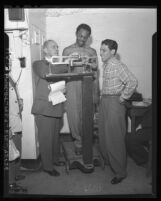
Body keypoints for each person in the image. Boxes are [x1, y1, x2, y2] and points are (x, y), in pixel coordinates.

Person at [98, 39, 138, 184]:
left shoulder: (117, 64)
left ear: (112, 52)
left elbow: (132, 81)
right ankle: (110, 162)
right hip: (105, 102)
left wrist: (123, 97)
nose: (100, 52)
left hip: (115, 103)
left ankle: (120, 172)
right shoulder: (107, 64)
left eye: (104, 50)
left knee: (115, 138)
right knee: (103, 135)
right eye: (100, 49)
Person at [31, 40, 68, 176]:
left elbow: (60, 81)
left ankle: (55, 160)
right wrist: (66, 65)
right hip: (43, 108)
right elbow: (48, 72)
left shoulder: (57, 65)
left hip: (56, 105)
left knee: (54, 137)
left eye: (57, 47)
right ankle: (47, 166)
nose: (57, 49)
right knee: (46, 139)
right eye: (53, 47)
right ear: (45, 50)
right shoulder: (39, 64)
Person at [62, 23, 99, 155]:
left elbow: (96, 74)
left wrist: (96, 94)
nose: (82, 39)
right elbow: (62, 72)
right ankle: (78, 142)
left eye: (85, 37)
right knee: (73, 116)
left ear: (89, 38)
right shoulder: (67, 51)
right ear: (76, 33)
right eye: (80, 36)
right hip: (72, 87)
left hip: (87, 87)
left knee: (87, 116)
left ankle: (86, 142)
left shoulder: (92, 52)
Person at [9, 74, 27, 193]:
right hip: (10, 123)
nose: (9, 61)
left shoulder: (9, 77)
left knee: (17, 149)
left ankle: (16, 174)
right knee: (10, 153)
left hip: (15, 119)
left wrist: (20, 101)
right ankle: (10, 183)